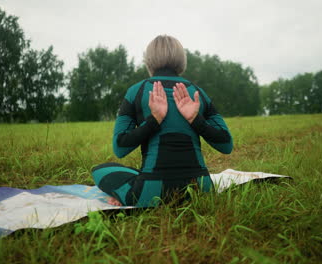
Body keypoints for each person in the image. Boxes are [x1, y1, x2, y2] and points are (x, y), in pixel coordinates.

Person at [91, 35, 233, 207]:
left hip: (148, 195)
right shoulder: (197, 93)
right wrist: (196, 120)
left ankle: (126, 194)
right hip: (201, 192)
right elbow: (226, 145)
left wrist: (154, 121)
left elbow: (120, 148)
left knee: (100, 170)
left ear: (148, 61)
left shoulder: (136, 91)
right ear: (182, 61)